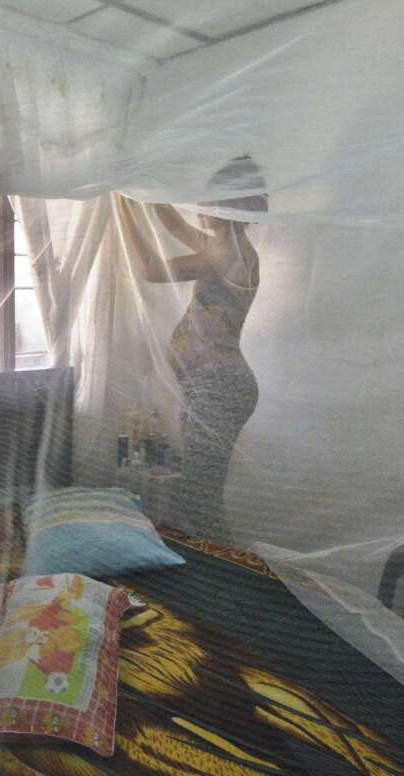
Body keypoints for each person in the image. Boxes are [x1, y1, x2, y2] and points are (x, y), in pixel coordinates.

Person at [117, 157, 267, 541]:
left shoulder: (227, 252)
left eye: (211, 202)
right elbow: (173, 222)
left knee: (200, 500)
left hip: (220, 387)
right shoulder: (222, 244)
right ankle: (220, 574)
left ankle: (225, 582)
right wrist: (141, 188)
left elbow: (150, 269)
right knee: (198, 494)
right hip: (210, 386)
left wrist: (120, 203)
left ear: (232, 207)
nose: (202, 208)